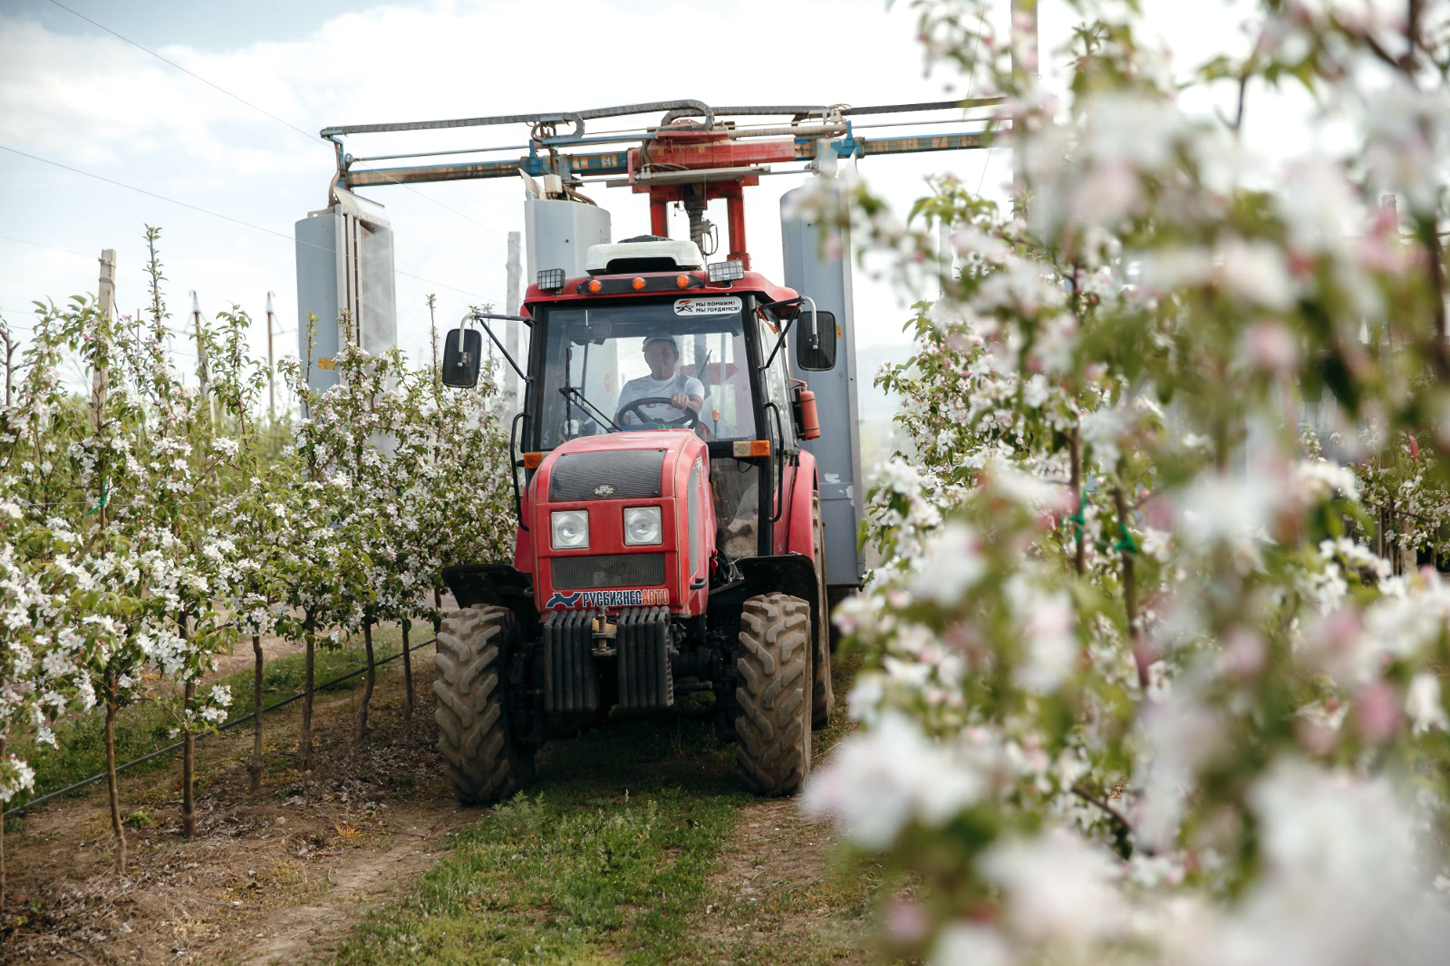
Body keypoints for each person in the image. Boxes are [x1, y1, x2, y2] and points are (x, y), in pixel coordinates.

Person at [615, 331, 705, 427]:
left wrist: (685, 403)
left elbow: (696, 406)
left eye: (664, 352)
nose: (658, 357)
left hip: (679, 440)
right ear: (646, 358)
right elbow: (617, 426)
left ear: (676, 356)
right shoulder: (631, 387)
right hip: (638, 440)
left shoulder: (690, 383)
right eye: (653, 353)